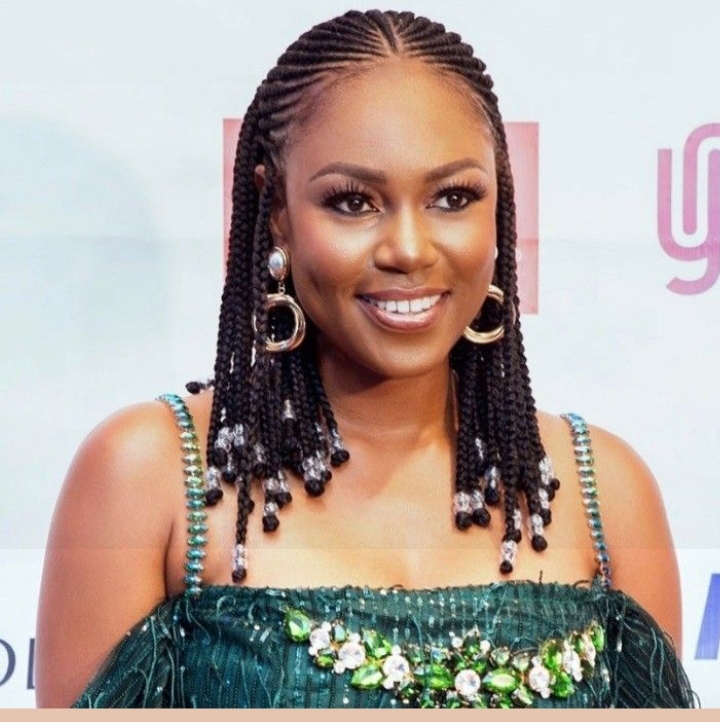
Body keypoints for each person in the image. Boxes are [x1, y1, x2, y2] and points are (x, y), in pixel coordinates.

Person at [35, 9, 695, 708]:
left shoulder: (605, 492)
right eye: (353, 202)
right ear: (277, 212)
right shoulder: (147, 477)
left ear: (500, 208)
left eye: (453, 198)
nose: (409, 249)